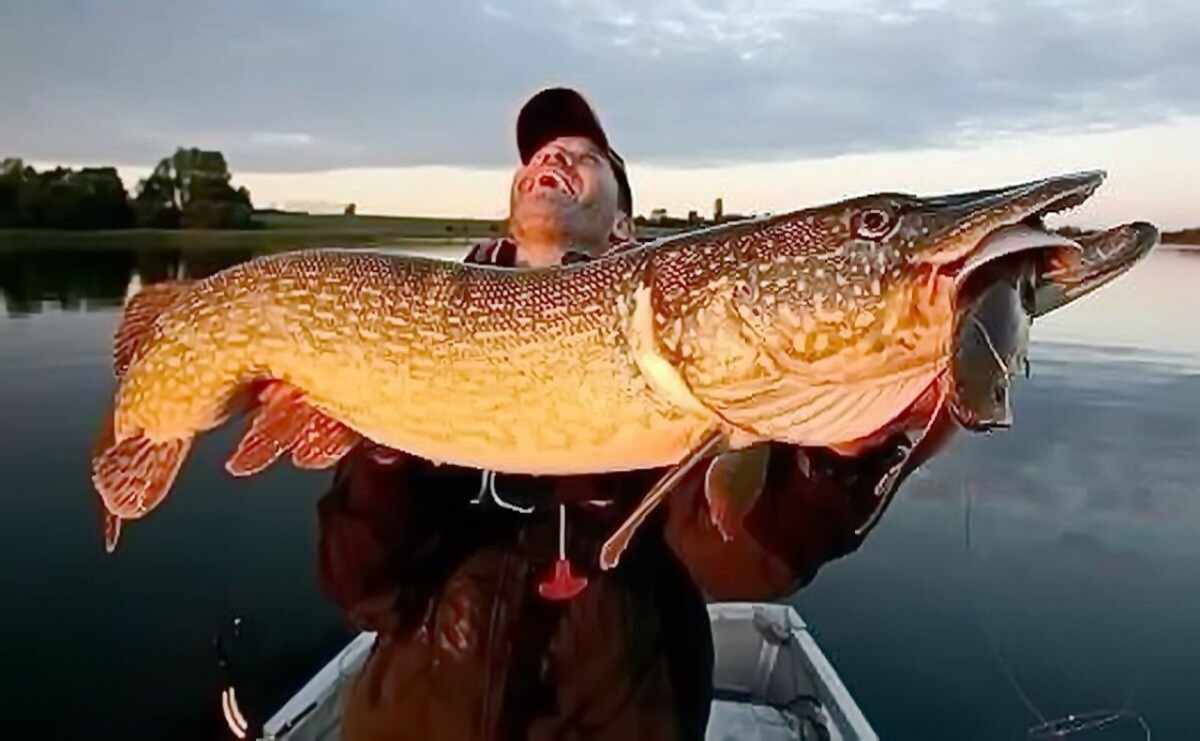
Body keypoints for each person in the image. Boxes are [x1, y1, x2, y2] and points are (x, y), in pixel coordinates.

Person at [316, 87, 917, 741]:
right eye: (545, 151)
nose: (555, 156)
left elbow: (741, 563)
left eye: (585, 156)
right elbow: (362, 590)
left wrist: (839, 460)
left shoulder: (688, 352)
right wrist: (382, 454)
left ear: (623, 228)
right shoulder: (410, 324)